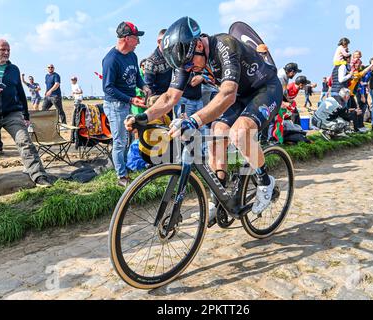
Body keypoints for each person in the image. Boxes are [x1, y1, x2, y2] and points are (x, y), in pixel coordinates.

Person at [125, 17, 282, 216]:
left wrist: (194, 120)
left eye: (190, 63)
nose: (189, 69)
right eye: (185, 67)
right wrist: (144, 118)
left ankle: (265, 182)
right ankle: (220, 197)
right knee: (217, 135)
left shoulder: (225, 45)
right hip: (240, 95)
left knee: (240, 133)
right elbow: (169, 97)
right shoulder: (187, 60)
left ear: (198, 44)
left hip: (264, 88)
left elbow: (227, 94)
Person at [0, 39, 51, 187]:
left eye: (8, 50)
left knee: (25, 142)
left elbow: (20, 92)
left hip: (12, 113)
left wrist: (25, 114)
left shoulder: (14, 69)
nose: (6, 53)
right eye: (2, 50)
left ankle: (38, 175)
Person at [102, 21, 151, 187]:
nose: (138, 42)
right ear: (127, 38)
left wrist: (144, 86)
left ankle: (126, 168)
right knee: (120, 141)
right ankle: (121, 176)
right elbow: (108, 88)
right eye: (136, 38)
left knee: (128, 138)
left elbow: (136, 75)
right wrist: (131, 99)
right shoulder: (111, 60)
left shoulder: (132, 55)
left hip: (127, 103)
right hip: (115, 105)